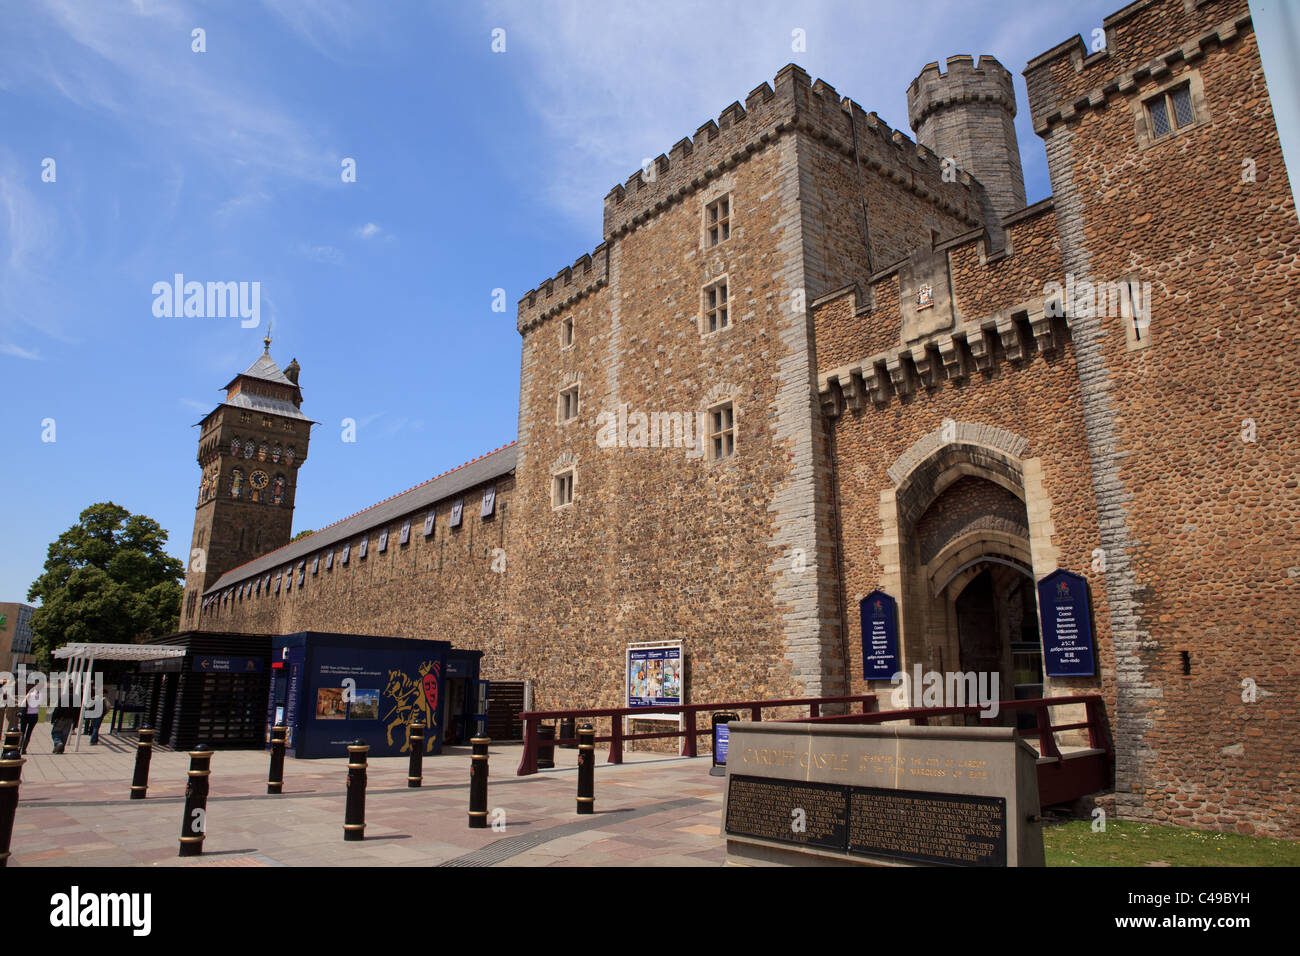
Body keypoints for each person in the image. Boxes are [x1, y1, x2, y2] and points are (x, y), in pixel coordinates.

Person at [19, 684, 41, 755]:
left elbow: (23, 705)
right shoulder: (40, 696)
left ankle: (19, 747)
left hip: (26, 715)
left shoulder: (29, 695)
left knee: (22, 731)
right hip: (34, 715)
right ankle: (24, 748)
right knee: (29, 732)